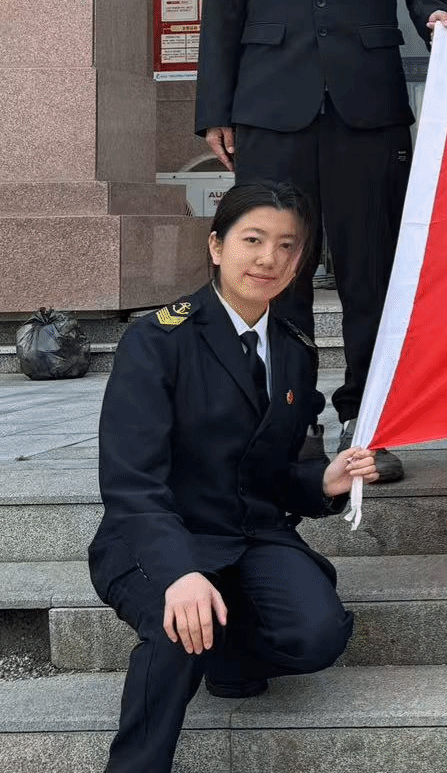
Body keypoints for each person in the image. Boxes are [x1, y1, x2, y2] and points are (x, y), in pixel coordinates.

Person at [196, 0, 447, 485]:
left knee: (372, 273)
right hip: (269, 105)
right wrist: (215, 109)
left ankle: (368, 422)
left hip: (367, 106)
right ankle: (292, 419)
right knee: (277, 270)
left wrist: (439, 17)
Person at [89, 182, 380, 773]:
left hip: (249, 536)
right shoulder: (157, 341)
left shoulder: (294, 349)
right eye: (253, 240)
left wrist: (321, 482)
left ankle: (227, 657)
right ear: (217, 246)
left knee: (319, 634)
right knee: (179, 627)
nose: (269, 258)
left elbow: (273, 474)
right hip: (160, 534)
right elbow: (132, 483)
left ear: (300, 261)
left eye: (287, 246)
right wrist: (179, 573)